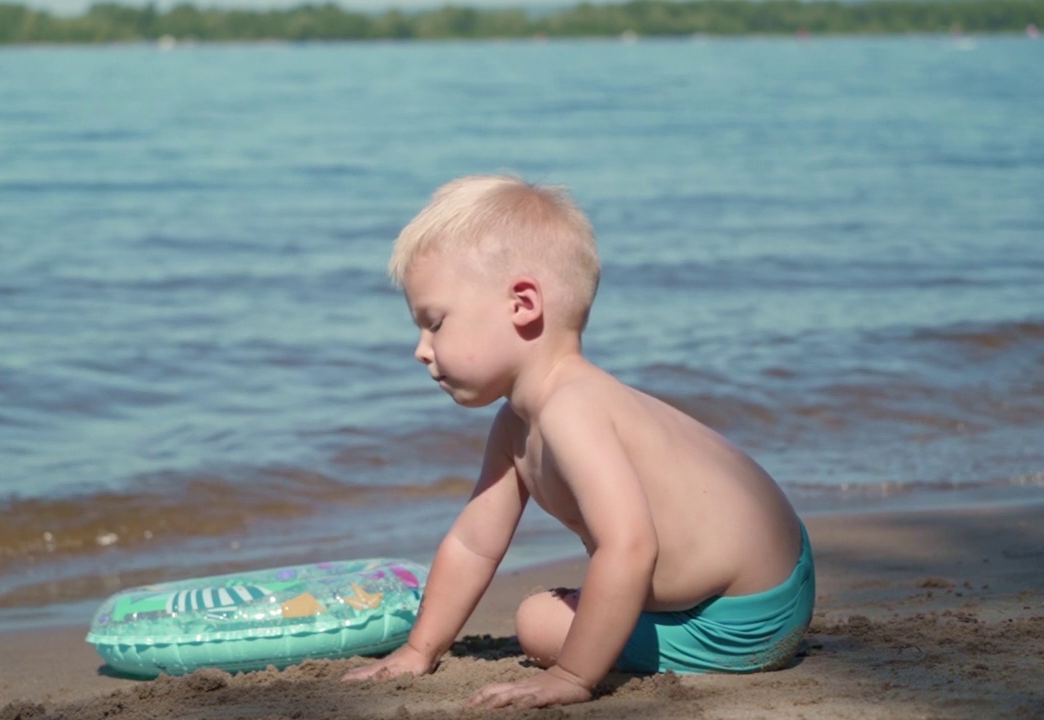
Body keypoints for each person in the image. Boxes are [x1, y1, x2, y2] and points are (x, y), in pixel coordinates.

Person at [341, 175, 815, 709]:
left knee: (539, 621)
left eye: (435, 324)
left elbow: (630, 547)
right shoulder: (517, 426)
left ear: (522, 303)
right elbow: (474, 543)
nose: (421, 351)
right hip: (775, 572)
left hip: (740, 616)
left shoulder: (573, 410)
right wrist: (418, 648)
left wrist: (572, 675)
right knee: (560, 609)